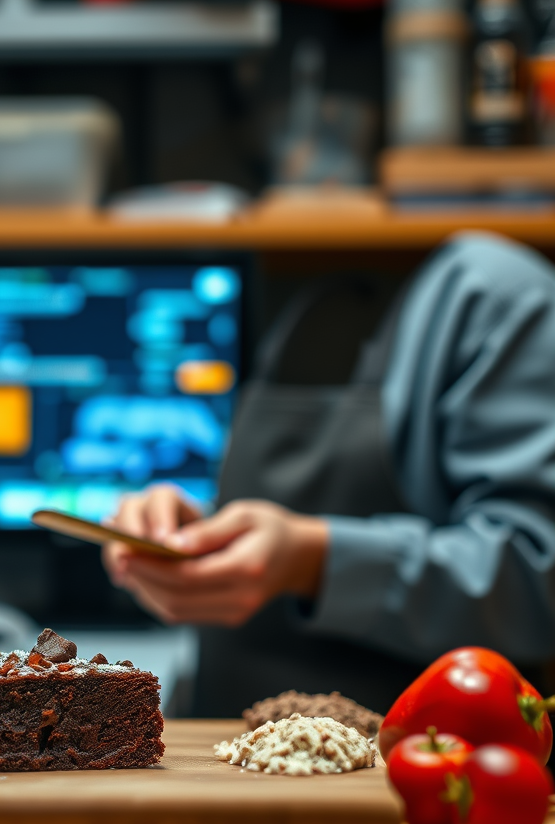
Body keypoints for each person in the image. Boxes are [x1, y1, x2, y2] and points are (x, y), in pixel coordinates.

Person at [102, 232, 555, 716]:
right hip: (228, 754)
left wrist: (312, 560)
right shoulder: (287, 301)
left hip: (418, 764)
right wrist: (192, 534)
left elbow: (537, 579)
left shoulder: (501, 297)